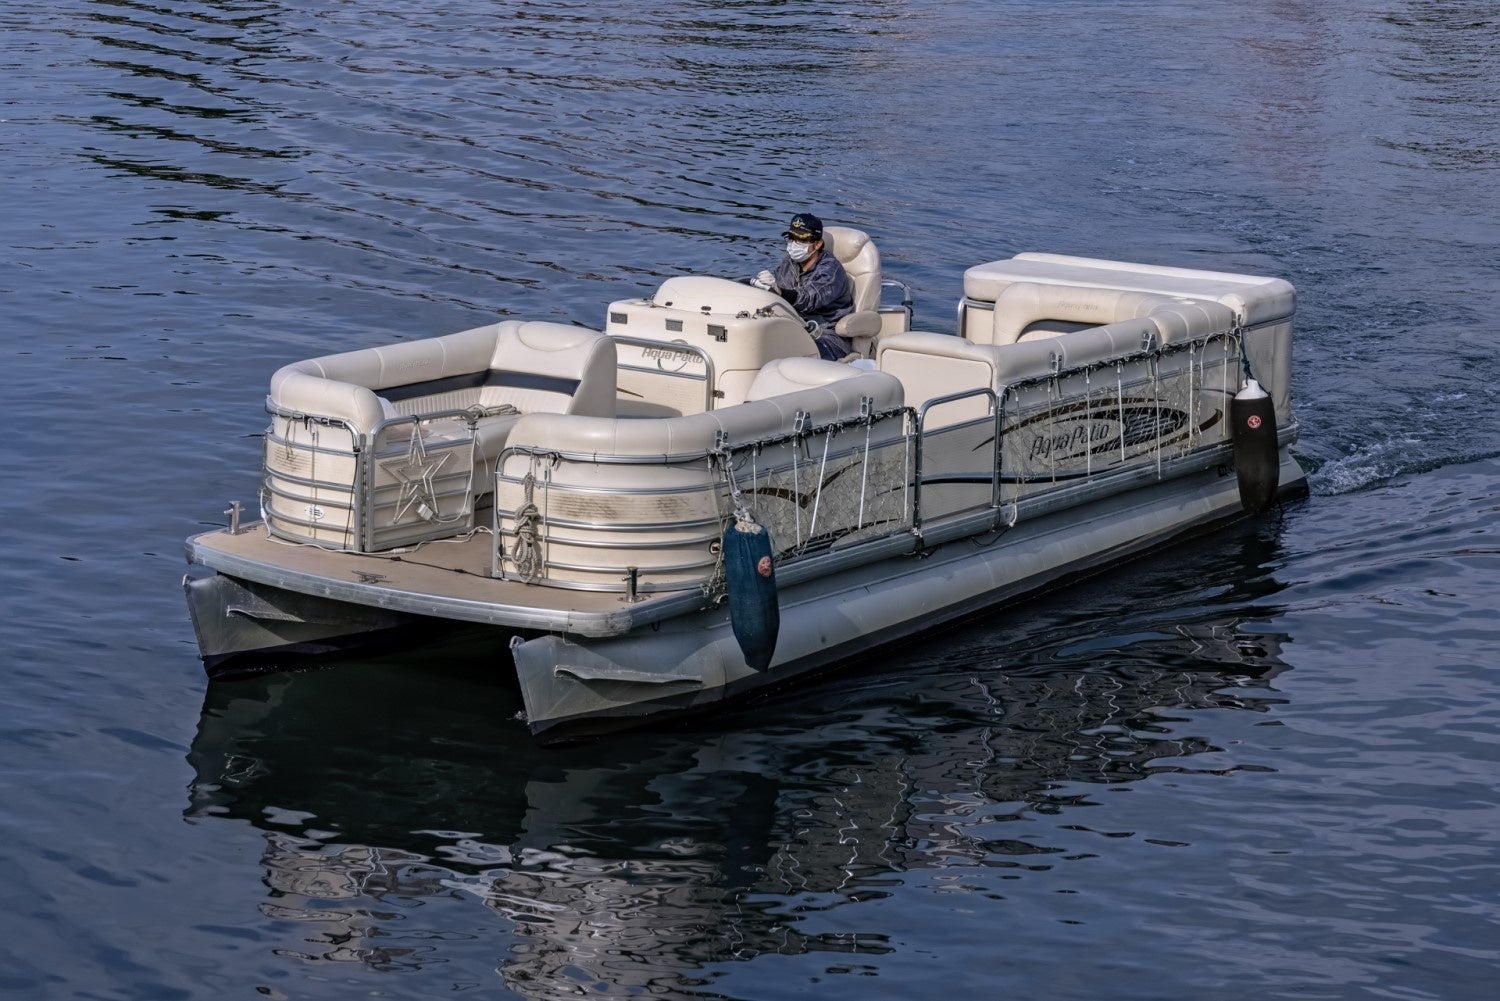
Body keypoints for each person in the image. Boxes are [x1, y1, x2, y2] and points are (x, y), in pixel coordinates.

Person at [752, 212, 855, 361]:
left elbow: (808, 298)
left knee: (783, 352)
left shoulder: (831, 271)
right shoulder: (789, 263)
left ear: (817, 244)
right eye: (791, 238)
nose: (793, 244)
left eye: (801, 240)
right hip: (794, 327)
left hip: (827, 337)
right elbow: (776, 285)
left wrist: (780, 292)